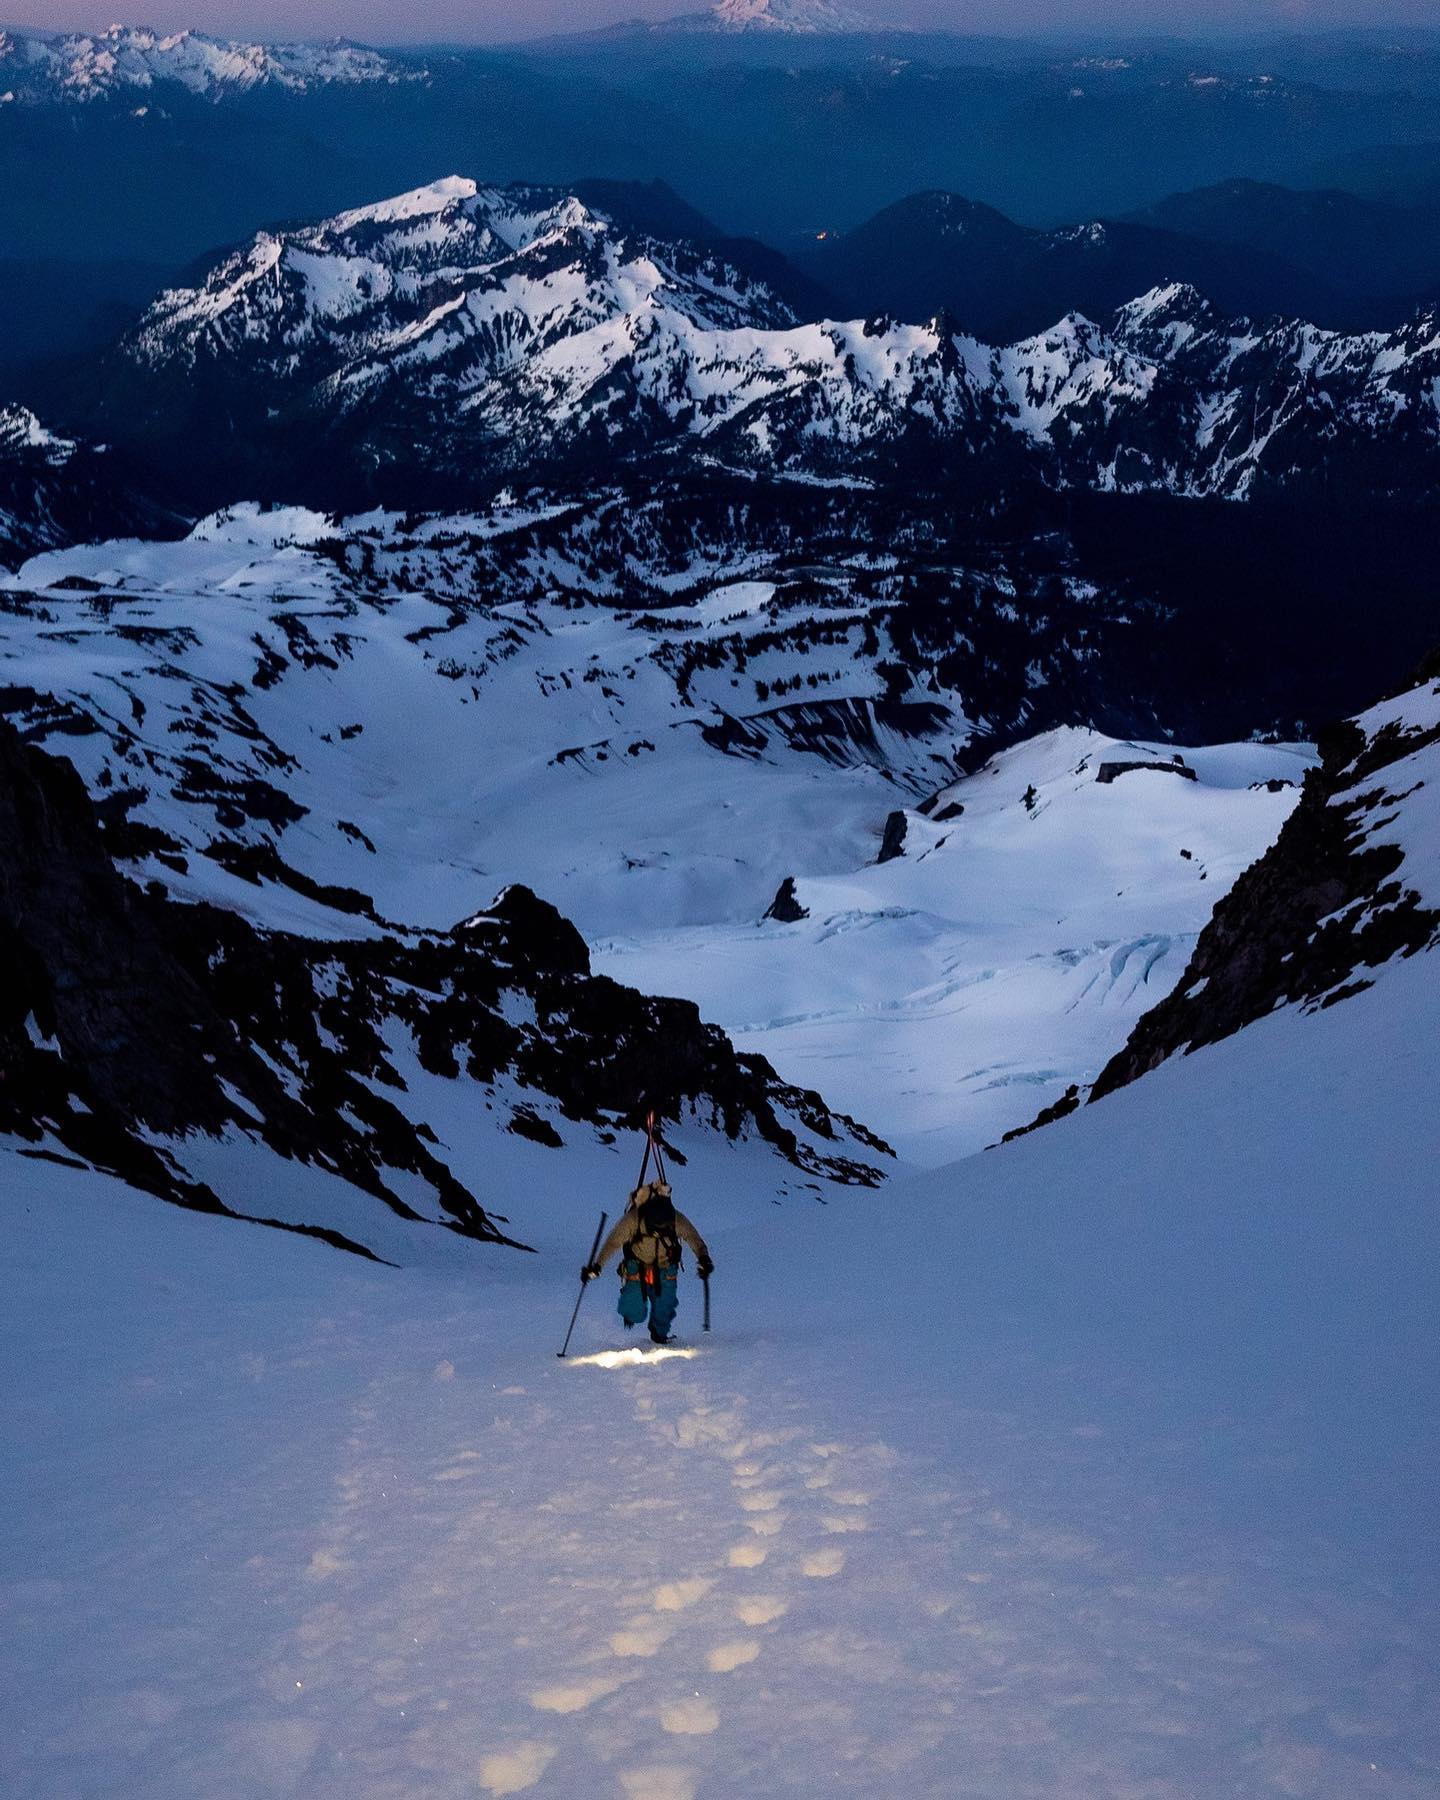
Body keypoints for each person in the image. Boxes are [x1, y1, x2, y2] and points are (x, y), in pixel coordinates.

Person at [582, 1179, 713, 1345]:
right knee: (634, 1309)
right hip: (638, 1264)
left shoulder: (672, 1218)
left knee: (664, 1307)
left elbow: (693, 1238)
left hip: (666, 1267)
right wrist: (597, 1266)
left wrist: (703, 1258)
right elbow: (614, 1242)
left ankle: (659, 1335)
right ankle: (632, 1310)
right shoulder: (636, 1218)